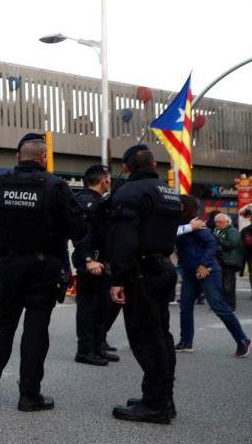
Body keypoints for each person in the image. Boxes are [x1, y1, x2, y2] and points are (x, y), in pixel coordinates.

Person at [0, 133, 85, 410]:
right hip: (44, 267)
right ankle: (29, 395)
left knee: (2, 325)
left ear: (18, 157)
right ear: (44, 157)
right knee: (36, 329)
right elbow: (79, 229)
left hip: (9, 265)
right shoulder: (56, 186)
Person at [106, 144, 183, 424]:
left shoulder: (129, 192)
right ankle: (163, 397)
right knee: (161, 335)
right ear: (152, 164)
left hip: (141, 273)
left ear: (127, 167)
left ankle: (156, 404)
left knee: (145, 339)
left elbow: (124, 240)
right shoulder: (169, 190)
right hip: (162, 267)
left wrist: (117, 279)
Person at [176, 196, 251, 356]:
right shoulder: (183, 224)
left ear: (183, 206)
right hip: (190, 273)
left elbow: (212, 244)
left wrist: (204, 264)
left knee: (219, 307)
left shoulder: (197, 224)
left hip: (207, 272)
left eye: (177, 204)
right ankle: (186, 342)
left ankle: (242, 340)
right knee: (185, 308)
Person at [72, 164, 120, 366]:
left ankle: (98, 345)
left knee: (102, 306)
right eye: (108, 178)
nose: (109, 181)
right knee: (88, 307)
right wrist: (88, 259)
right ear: (104, 180)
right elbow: (81, 233)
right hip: (92, 261)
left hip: (105, 261)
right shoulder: (84, 201)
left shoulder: (101, 201)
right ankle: (85, 350)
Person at [213, 213, 243, 310]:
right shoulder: (217, 230)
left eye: (220, 222)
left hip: (229, 261)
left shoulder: (232, 231)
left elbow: (231, 244)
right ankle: (222, 304)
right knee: (220, 284)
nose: (217, 224)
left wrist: (217, 240)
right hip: (220, 260)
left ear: (227, 222)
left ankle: (230, 305)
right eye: (216, 222)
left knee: (228, 285)